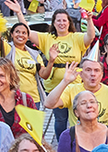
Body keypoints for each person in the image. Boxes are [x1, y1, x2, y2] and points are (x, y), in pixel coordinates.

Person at [33, 10, 97, 140]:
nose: (61, 23)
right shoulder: (47, 38)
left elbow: (90, 37)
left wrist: (89, 20)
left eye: (64, 20)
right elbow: (26, 32)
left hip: (75, 83)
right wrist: (18, 13)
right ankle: (62, 142)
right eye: (58, 20)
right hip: (55, 85)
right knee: (60, 118)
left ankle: (80, 140)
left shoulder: (76, 37)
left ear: (69, 23)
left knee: (78, 115)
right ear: (53, 23)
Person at [45, 58, 108, 133]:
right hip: (77, 140)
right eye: (88, 70)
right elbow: (49, 104)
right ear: (81, 74)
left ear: (101, 75)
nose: (93, 74)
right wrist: (65, 81)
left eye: (96, 70)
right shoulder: (71, 90)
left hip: (103, 142)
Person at [0, 58, 37, 138]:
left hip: (20, 149)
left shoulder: (25, 100)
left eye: (2, 76)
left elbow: (36, 132)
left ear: (11, 77)